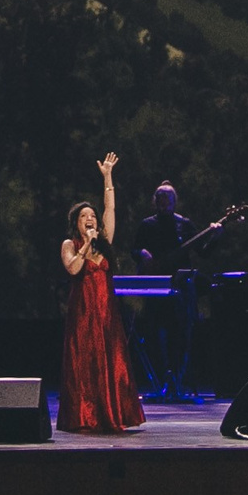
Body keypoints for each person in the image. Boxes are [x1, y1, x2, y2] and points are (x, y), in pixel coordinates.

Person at [58, 151, 144, 434]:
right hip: (83, 314)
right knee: (83, 362)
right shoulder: (69, 244)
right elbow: (72, 269)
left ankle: (113, 413)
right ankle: (84, 416)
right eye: (84, 216)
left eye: (92, 215)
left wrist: (108, 177)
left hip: (106, 314)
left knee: (111, 361)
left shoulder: (104, 242)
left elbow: (111, 211)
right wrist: (85, 245)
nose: (90, 219)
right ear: (77, 222)